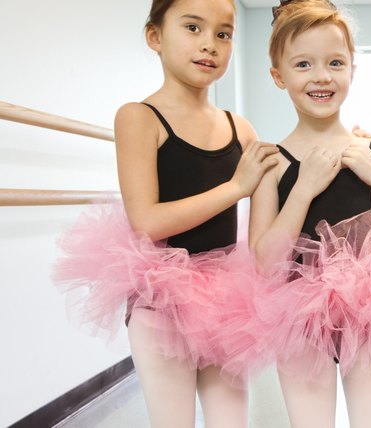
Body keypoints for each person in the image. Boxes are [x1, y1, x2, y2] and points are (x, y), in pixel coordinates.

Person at [52, 0, 278, 426]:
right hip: (161, 296)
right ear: (155, 36)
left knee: (232, 420)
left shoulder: (239, 127)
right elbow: (148, 222)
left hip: (227, 295)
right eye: (193, 28)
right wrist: (235, 188)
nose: (209, 44)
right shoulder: (138, 117)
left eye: (223, 34)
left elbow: (277, 195)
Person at [219, 1, 371, 427]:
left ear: (352, 71)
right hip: (298, 321)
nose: (322, 76)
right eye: (304, 64)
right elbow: (266, 261)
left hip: (367, 316)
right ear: (279, 77)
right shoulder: (272, 164)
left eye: (335, 62)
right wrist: (303, 189)